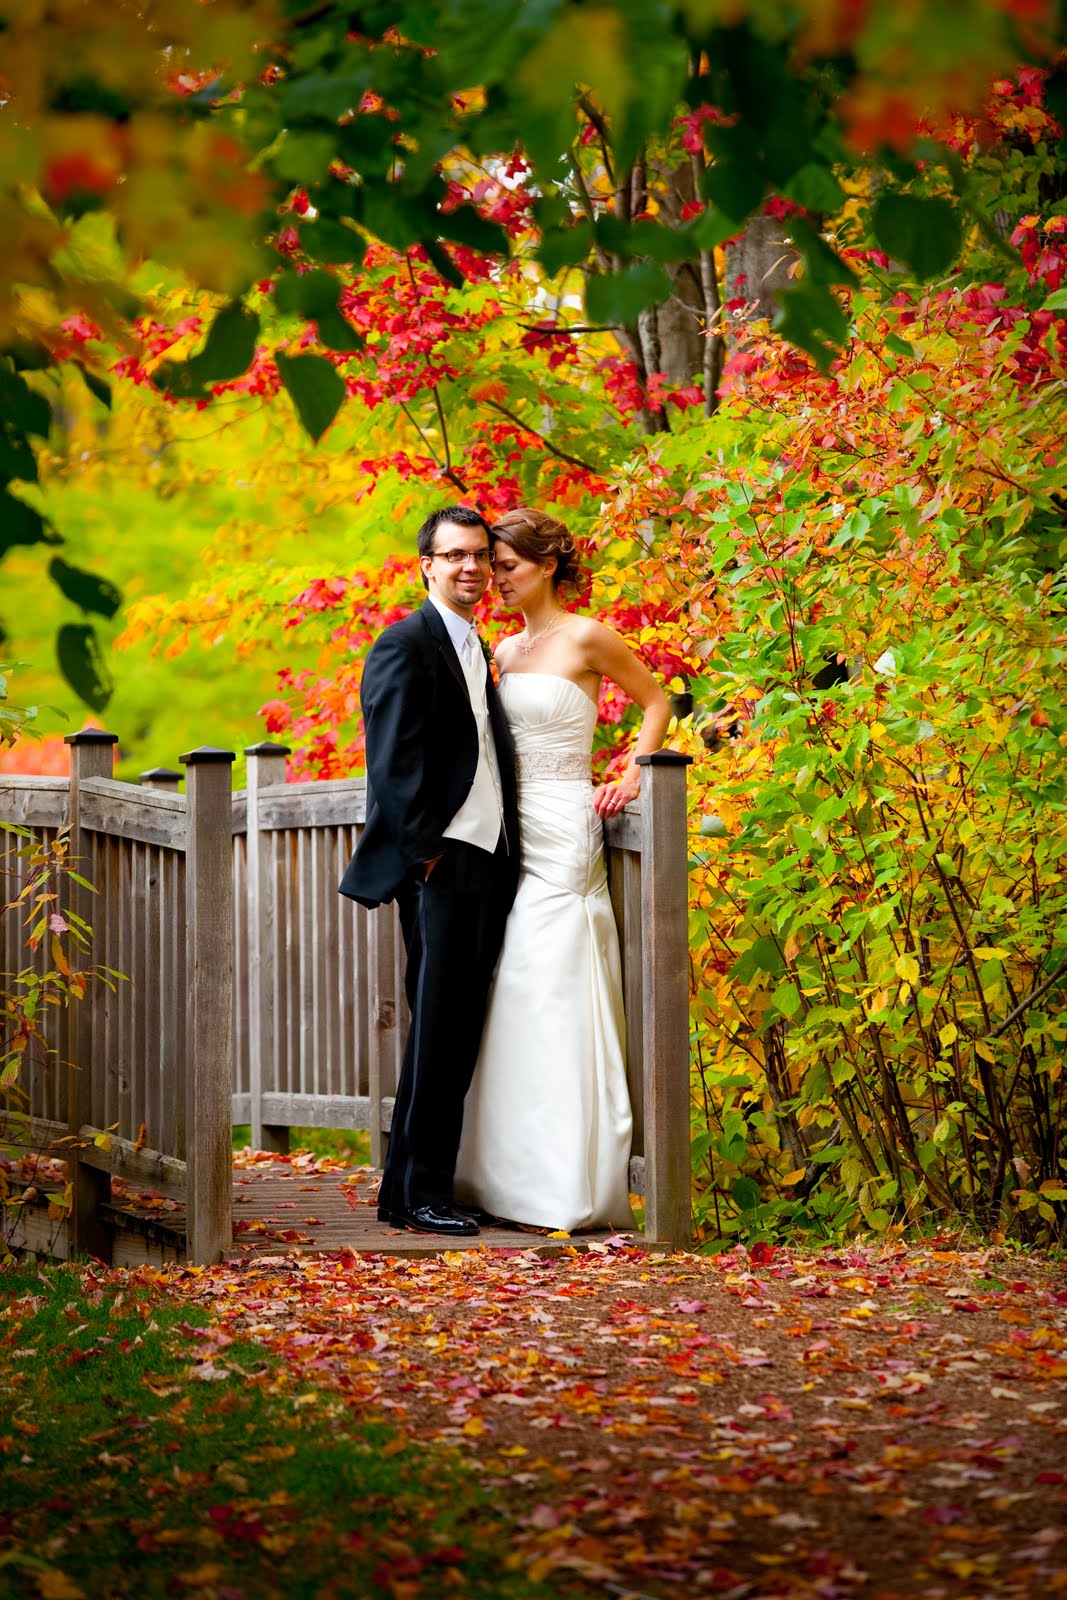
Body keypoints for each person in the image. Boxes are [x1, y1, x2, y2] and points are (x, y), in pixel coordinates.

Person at [454, 508, 671, 1232]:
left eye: (507, 565)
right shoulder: (505, 653)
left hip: (567, 822)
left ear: (546, 566)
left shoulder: (586, 636)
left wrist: (634, 776)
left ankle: (564, 1181)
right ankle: (500, 1174)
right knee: (509, 981)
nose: (495, 578)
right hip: (510, 828)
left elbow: (655, 699)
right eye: (492, 566)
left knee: (551, 978)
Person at [339, 506, 520, 1236]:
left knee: (453, 1024)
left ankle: (406, 1193)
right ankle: (422, 1195)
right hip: (440, 866)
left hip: (488, 857)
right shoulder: (403, 644)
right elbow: (391, 763)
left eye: (479, 555)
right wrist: (427, 855)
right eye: (454, 556)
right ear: (427, 565)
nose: (470, 567)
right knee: (441, 1025)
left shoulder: (476, 644)